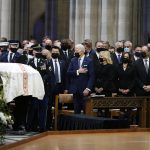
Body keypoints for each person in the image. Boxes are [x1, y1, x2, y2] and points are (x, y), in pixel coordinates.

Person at [67, 44, 94, 114]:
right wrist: (78, 71)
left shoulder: (89, 61)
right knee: (76, 111)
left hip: (85, 90)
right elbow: (68, 73)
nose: (75, 51)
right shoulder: (73, 60)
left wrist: (88, 88)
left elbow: (92, 76)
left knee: (86, 110)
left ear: (82, 51)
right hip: (75, 90)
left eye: (77, 50)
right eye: (75, 49)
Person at [44, 46, 67, 129]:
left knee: (60, 107)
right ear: (51, 52)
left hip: (60, 87)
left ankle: (58, 125)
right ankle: (48, 126)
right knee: (49, 107)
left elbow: (65, 77)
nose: (55, 53)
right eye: (53, 52)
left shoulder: (63, 62)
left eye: (57, 52)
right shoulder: (47, 62)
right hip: (50, 88)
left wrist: (66, 88)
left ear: (59, 53)